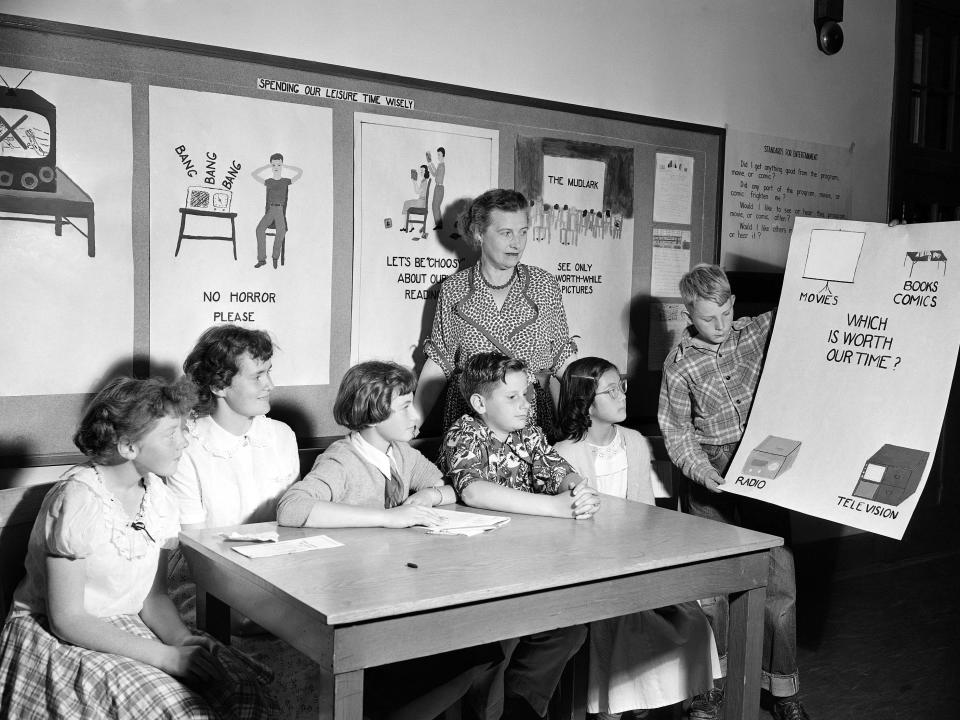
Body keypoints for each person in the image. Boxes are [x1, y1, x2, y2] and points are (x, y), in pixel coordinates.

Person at [0, 377, 277, 719]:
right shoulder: (78, 499)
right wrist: (164, 657)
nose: (183, 444)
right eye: (170, 434)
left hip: (125, 623)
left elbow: (153, 597)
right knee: (177, 708)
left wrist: (180, 641)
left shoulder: (158, 495)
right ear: (129, 447)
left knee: (241, 688)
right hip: (58, 636)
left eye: (183, 431)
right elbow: (67, 619)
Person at [276, 360, 502, 720]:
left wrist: (427, 497)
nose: (416, 416)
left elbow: (449, 486)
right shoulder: (341, 460)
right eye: (404, 407)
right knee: (470, 657)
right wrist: (389, 518)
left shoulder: (401, 454)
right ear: (373, 413)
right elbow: (291, 508)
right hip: (352, 604)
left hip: (394, 592)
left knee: (483, 649)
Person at [658, 263, 809, 720]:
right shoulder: (679, 362)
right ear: (689, 313)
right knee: (713, 591)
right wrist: (702, 473)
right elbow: (677, 431)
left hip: (761, 465)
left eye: (726, 312)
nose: (720, 325)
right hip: (710, 473)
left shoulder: (754, 332)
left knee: (779, 582)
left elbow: (808, 309)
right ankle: (709, 690)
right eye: (708, 318)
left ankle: (783, 692)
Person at [554, 357, 722, 720]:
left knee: (692, 618)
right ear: (585, 402)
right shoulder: (563, 454)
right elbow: (569, 533)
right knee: (622, 624)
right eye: (610, 390)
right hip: (593, 566)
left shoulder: (634, 441)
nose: (621, 396)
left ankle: (692, 700)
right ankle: (616, 707)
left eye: (622, 386)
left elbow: (646, 512)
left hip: (639, 558)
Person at [442, 352, 597, 720]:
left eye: (527, 394)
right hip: (473, 574)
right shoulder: (464, 434)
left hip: (525, 565)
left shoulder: (530, 434)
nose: (526, 404)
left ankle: (521, 707)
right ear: (480, 403)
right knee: (496, 646)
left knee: (569, 629)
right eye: (512, 397)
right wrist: (556, 508)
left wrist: (577, 490)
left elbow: (557, 469)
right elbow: (474, 491)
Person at [164, 324, 305, 717]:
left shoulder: (282, 435)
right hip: (208, 583)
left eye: (269, 371)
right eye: (258, 375)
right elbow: (194, 551)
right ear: (220, 385)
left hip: (279, 576)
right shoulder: (188, 444)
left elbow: (294, 527)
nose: (270, 384)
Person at [414, 188, 578, 439]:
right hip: (471, 421)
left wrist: (584, 418)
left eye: (523, 232)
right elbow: (440, 362)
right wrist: (413, 421)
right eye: (506, 233)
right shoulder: (454, 289)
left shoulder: (544, 285)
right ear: (479, 233)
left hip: (530, 419)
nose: (517, 242)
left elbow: (562, 359)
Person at [252, 152, 303, 269]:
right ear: (271, 166)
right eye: (273, 165)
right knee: (259, 229)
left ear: (282, 165)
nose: (276, 168)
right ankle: (261, 259)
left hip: (279, 210)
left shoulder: (285, 181)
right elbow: (254, 174)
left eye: (278, 165)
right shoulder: (268, 181)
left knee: (282, 230)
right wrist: (267, 165)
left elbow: (300, 172)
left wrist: (286, 166)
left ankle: (275, 257)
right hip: (270, 210)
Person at [399, 164, 430, 231]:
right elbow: (417, 191)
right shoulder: (423, 181)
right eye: (420, 171)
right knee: (406, 205)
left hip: (421, 202)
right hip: (421, 201)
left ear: (426, 172)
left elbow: (418, 191)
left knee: (406, 204)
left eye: (422, 171)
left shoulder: (424, 182)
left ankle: (406, 226)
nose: (421, 173)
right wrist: (414, 182)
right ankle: (410, 226)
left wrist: (414, 182)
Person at [426, 147, 446, 230]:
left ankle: (439, 225)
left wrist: (430, 163)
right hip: (437, 187)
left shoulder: (442, 166)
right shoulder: (440, 165)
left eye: (439, 155)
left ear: (443, 155)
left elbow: (435, 175)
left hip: (439, 188)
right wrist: (430, 163)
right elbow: (434, 174)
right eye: (437, 155)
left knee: (435, 206)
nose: (438, 156)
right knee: (435, 206)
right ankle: (439, 224)